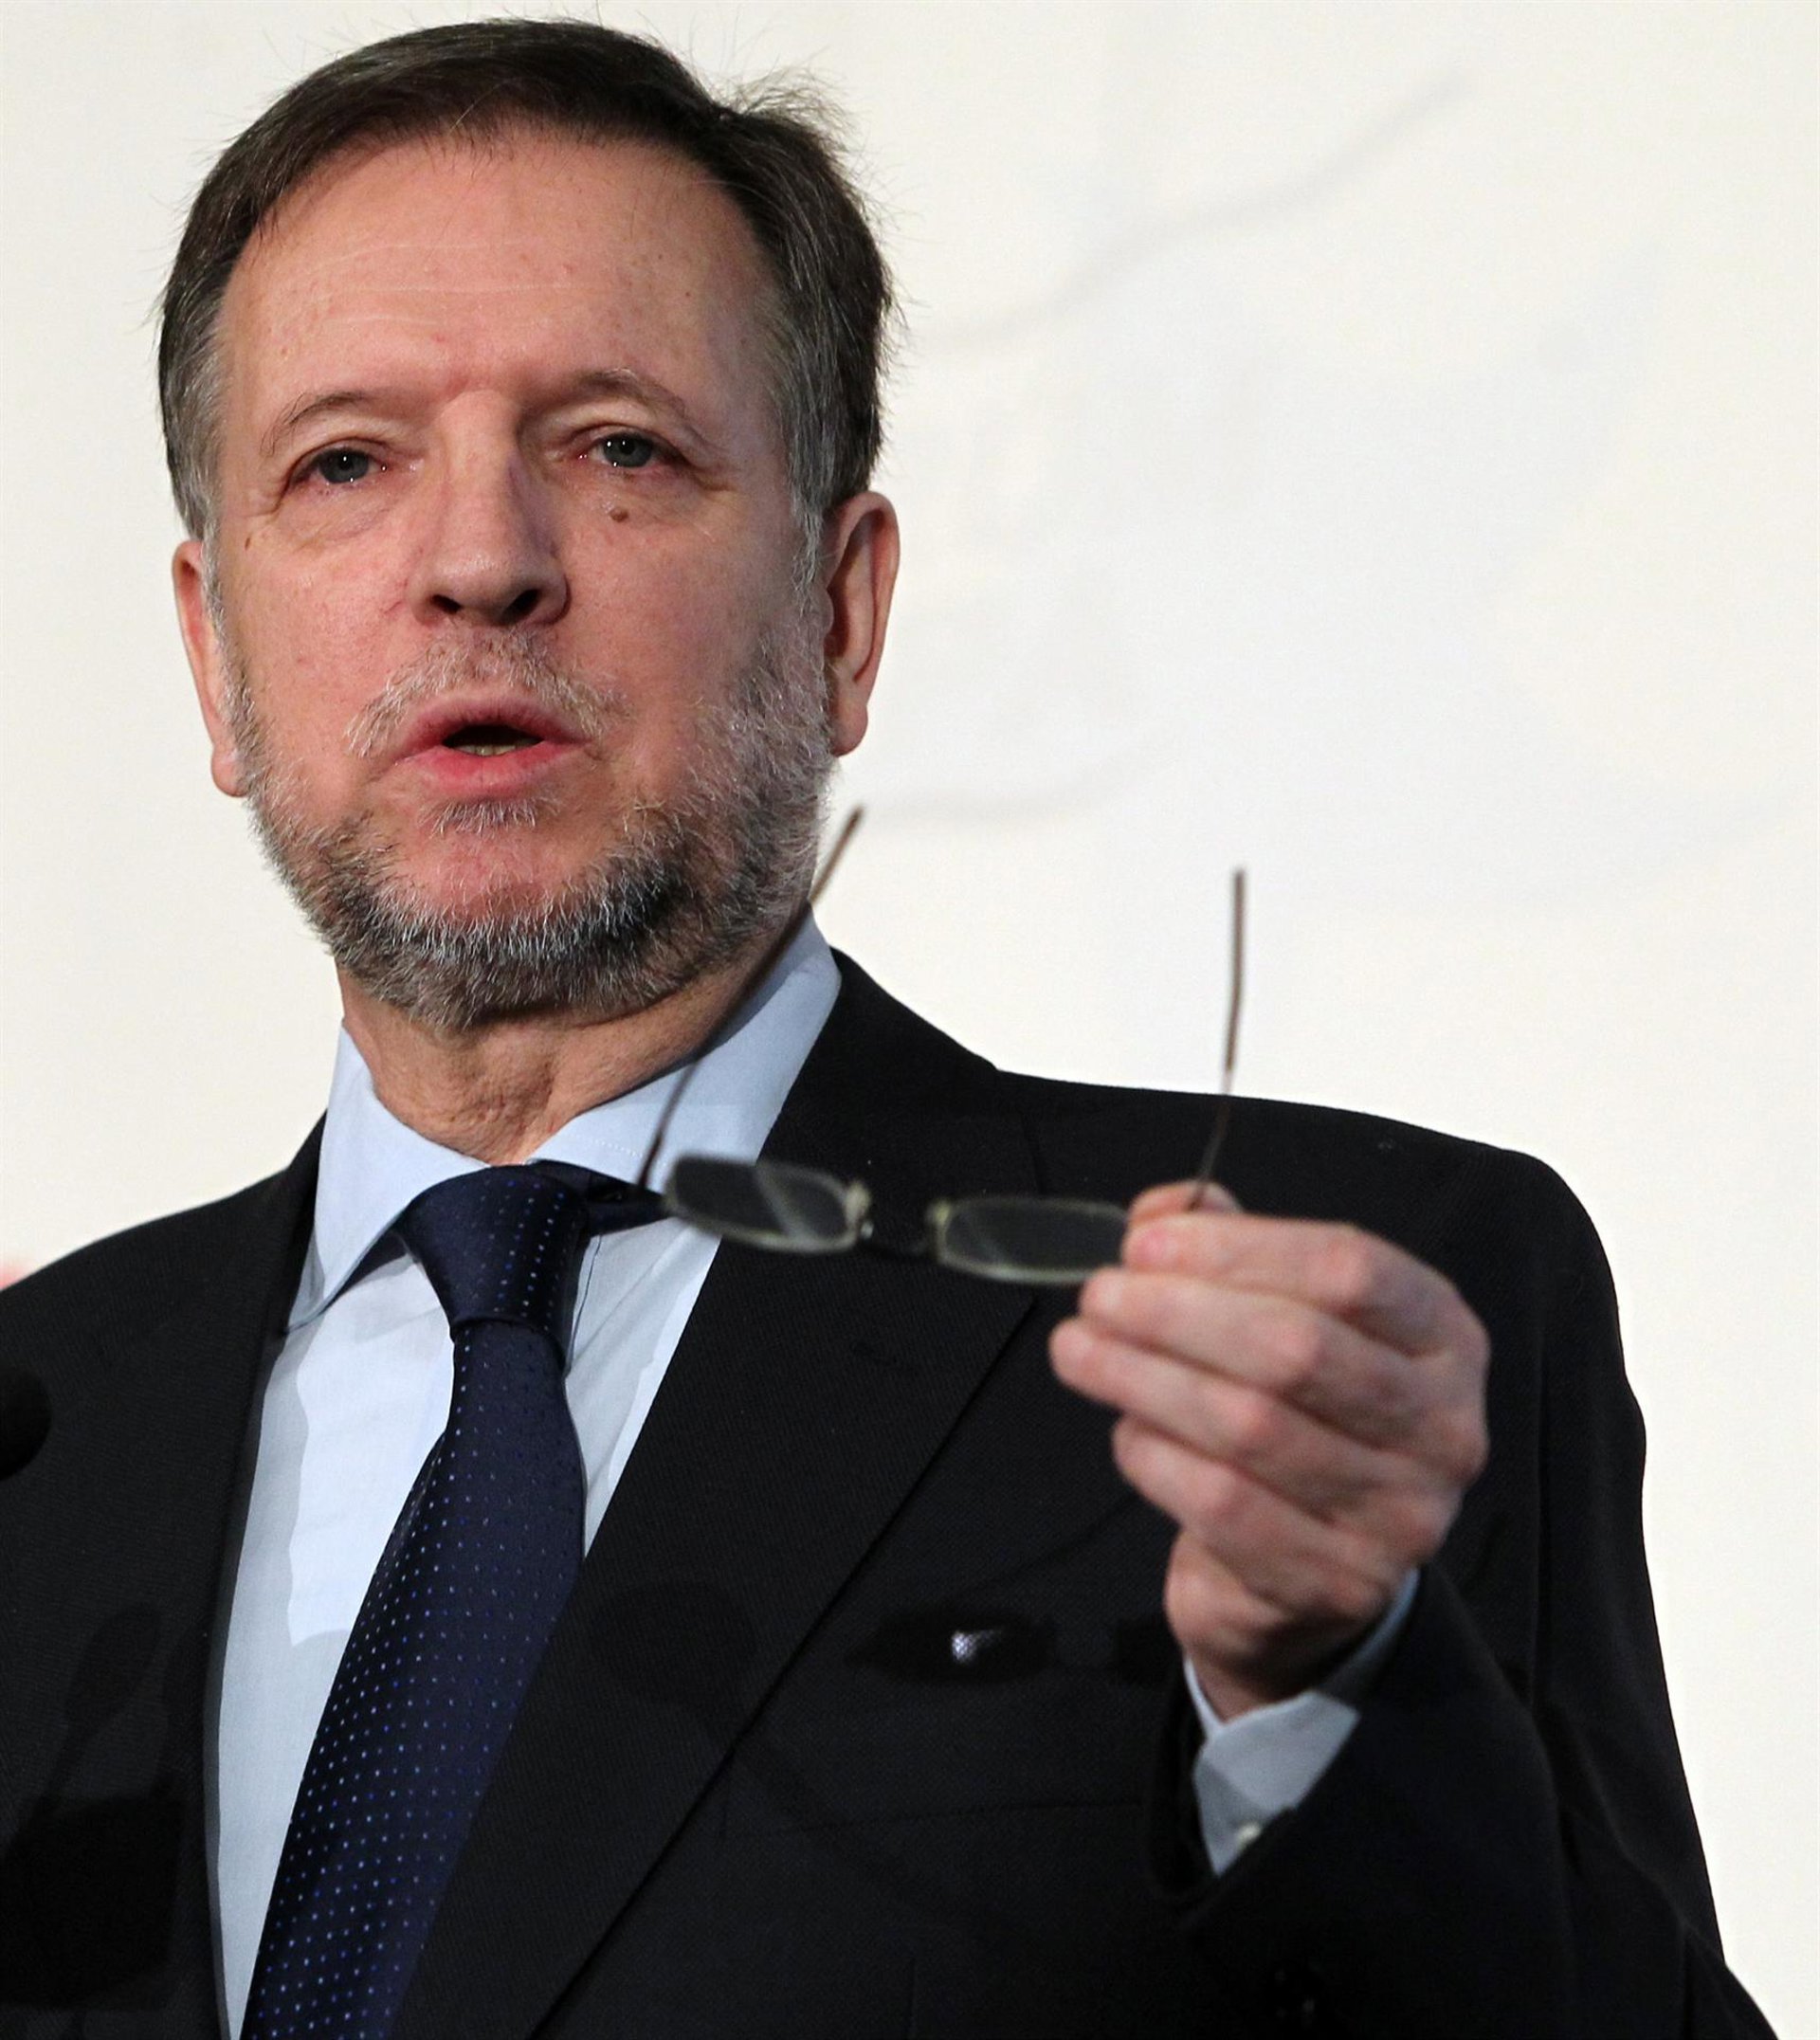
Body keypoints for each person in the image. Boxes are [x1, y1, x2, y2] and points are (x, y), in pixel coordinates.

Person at [0, 19, 1774, 2039]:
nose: (481, 562)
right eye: (345, 463)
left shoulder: (1301, 1347)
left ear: (840, 614)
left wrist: (1327, 1694)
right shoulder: (41, 1437)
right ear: (214, 657)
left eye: (618, 447)